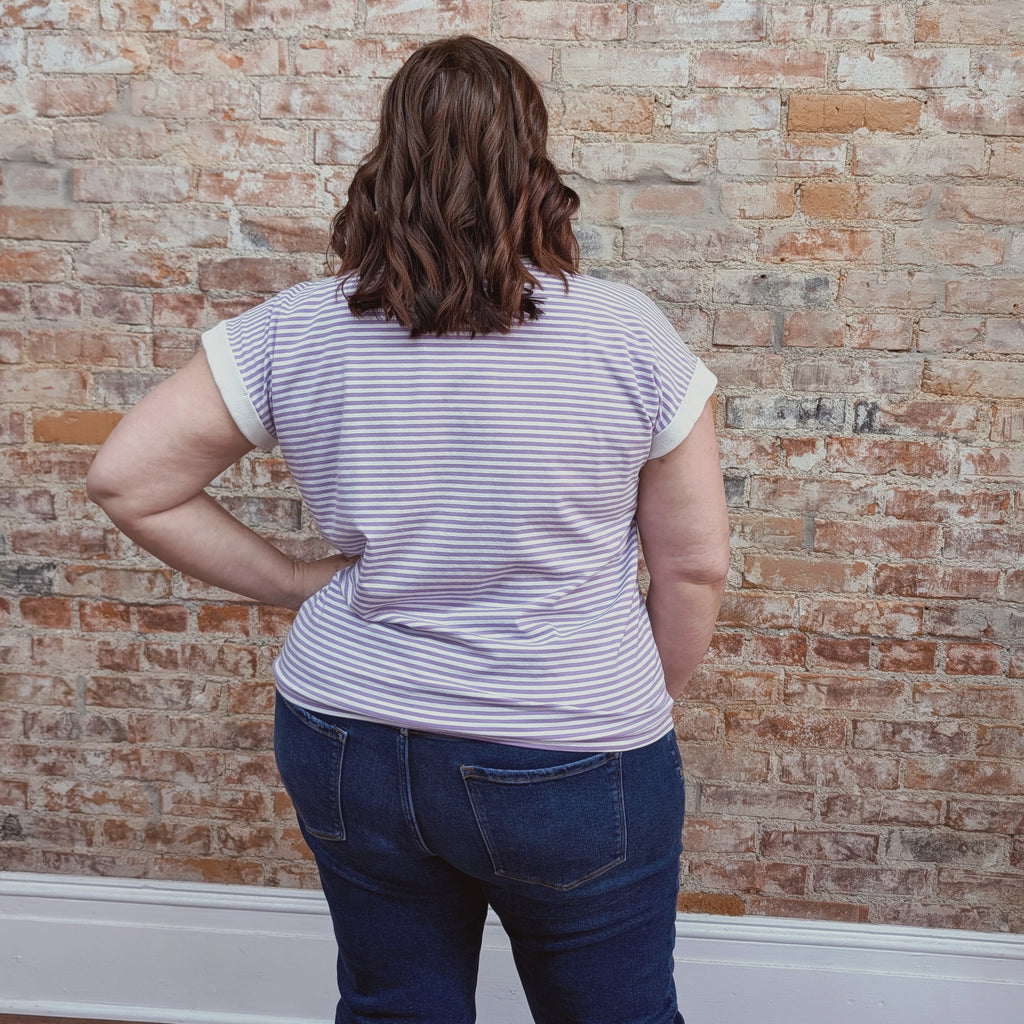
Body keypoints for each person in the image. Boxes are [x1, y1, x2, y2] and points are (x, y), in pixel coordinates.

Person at [87, 35, 730, 1024]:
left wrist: (301, 583)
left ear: (387, 161)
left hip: (349, 739)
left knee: (397, 1011)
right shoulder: (625, 333)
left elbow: (129, 481)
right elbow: (692, 573)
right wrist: (627, 711)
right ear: (533, 163)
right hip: (569, 750)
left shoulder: (295, 328)